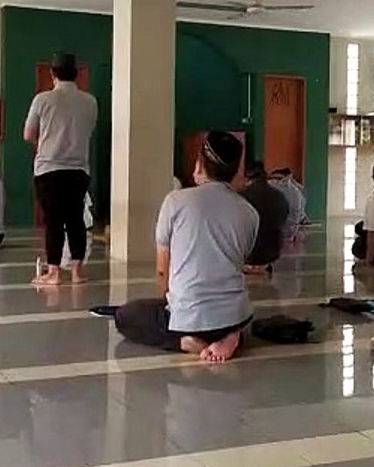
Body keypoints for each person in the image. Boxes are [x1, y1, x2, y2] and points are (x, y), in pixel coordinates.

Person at [99, 132, 258, 363]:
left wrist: (171, 307)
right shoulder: (249, 213)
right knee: (228, 316)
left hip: (189, 314)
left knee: (126, 315)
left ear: (200, 165)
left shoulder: (176, 201)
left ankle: (185, 341)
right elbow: (242, 260)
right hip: (235, 315)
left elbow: (163, 270)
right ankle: (233, 337)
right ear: (235, 171)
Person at [24, 51, 98, 285]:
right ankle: (77, 272)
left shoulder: (42, 99)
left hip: (49, 170)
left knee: (53, 221)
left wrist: (46, 143)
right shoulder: (90, 101)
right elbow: (88, 131)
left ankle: (53, 273)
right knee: (76, 219)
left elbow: (28, 135)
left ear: (52, 73)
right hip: (79, 170)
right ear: (76, 75)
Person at [240, 161, 289, 273]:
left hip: (247, 254)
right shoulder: (280, 197)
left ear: (247, 178)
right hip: (272, 253)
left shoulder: (241, 197)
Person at [269, 167, 308, 241]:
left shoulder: (279, 187)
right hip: (291, 234)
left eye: (275, 178)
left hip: (278, 234)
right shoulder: (298, 190)